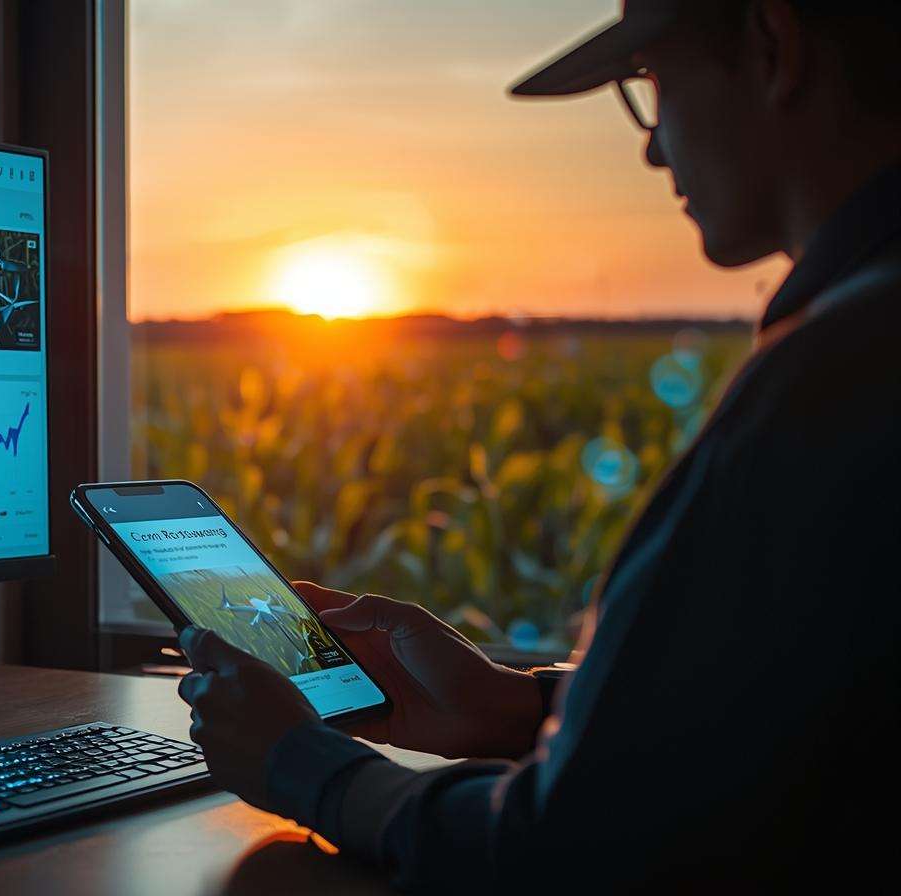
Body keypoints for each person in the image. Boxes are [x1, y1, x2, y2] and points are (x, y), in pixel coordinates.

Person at [175, 1, 901, 891]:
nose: (653, 148)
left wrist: (300, 763)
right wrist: (518, 706)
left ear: (775, 48)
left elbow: (562, 852)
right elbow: (794, 716)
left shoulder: (839, 375)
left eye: (653, 86)